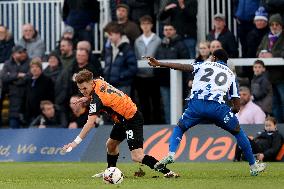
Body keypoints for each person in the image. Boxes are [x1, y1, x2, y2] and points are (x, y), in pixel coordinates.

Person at [144, 49, 266, 176]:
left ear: (213, 57)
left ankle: (171, 154)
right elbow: (236, 101)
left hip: (196, 106)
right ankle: (253, 166)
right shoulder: (230, 74)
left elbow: (182, 67)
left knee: (180, 127)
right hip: (217, 108)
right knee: (238, 132)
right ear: (226, 61)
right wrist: (232, 112)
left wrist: (159, 63)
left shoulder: (203, 65)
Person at [62, 69, 179, 178]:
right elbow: (102, 92)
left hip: (131, 119)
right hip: (122, 118)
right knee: (111, 145)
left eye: (84, 89)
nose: (82, 92)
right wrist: (87, 97)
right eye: (80, 89)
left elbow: (89, 123)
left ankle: (168, 172)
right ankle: (110, 171)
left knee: (137, 156)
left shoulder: (97, 98)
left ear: (91, 83)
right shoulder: (98, 81)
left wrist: (75, 143)